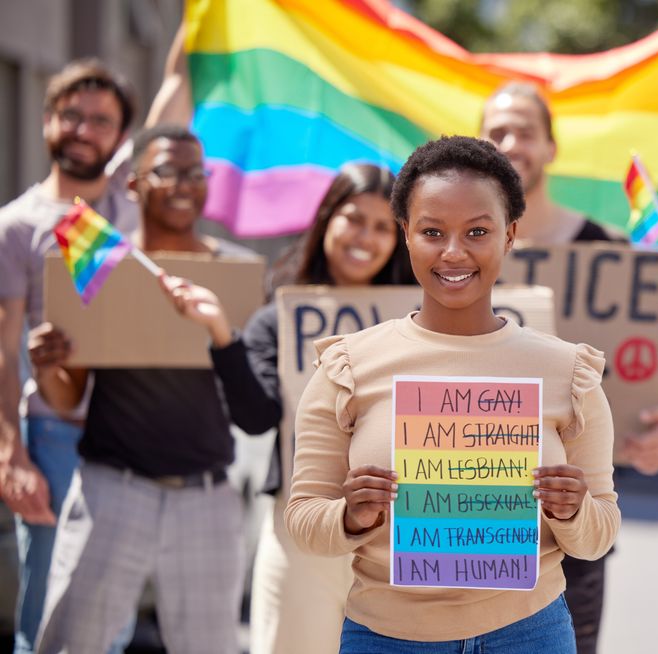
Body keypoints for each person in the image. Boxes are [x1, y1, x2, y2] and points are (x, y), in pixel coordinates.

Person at [285, 135, 620, 653]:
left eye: (478, 231)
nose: (454, 252)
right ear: (406, 235)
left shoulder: (569, 372)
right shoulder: (347, 367)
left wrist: (573, 511)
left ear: (510, 236)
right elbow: (305, 520)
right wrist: (350, 515)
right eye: (432, 231)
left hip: (530, 634)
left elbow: (601, 536)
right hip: (387, 638)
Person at [159, 162, 415, 654]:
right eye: (353, 218)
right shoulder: (276, 320)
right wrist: (220, 335)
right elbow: (255, 417)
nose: (366, 236)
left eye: (383, 226)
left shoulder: (423, 321)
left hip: (404, 527)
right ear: (326, 221)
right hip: (306, 532)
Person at [29, 125, 255, 654]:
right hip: (112, 490)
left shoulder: (237, 275)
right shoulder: (98, 267)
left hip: (207, 499)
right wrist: (46, 369)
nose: (185, 183)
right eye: (168, 171)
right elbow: (67, 399)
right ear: (133, 185)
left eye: (197, 172)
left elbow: (252, 402)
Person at [480, 82, 658, 652]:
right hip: (466, 507)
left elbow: (649, 375)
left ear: (550, 146)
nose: (510, 141)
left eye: (524, 129)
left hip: (573, 519)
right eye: (497, 130)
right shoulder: (458, 252)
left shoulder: (609, 249)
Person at [0, 59, 141, 654]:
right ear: (46, 122)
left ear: (119, 135)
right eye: (71, 115)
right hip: (55, 440)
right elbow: (4, 352)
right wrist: (12, 454)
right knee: (48, 622)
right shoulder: (16, 226)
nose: (84, 129)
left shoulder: (132, 209)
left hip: (132, 439)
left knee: (112, 625)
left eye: (101, 120)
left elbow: (176, 104)